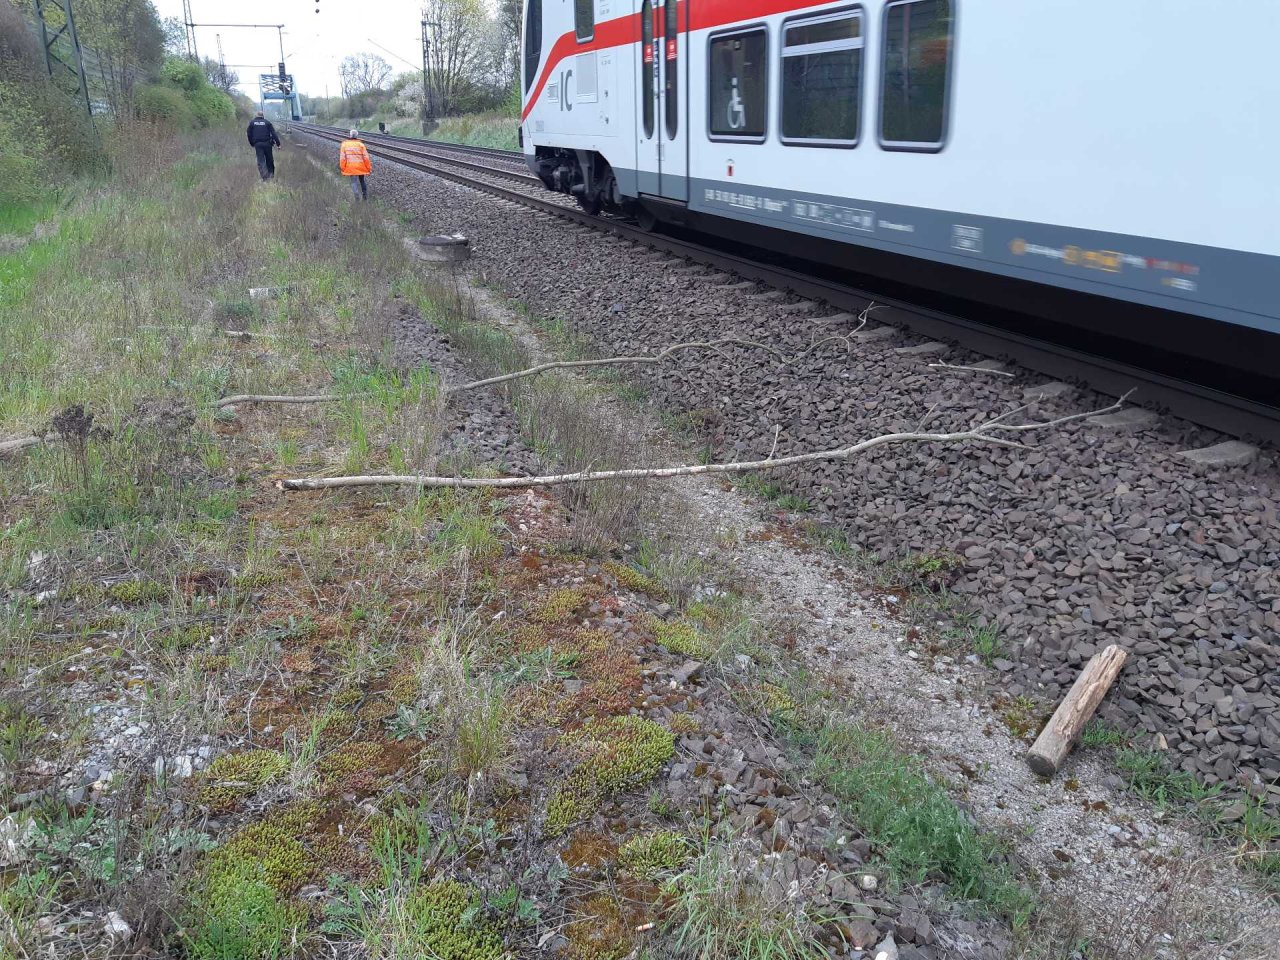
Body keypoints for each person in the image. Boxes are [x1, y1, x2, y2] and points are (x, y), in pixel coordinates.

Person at [246, 111, 281, 181]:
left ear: (256, 115)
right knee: (269, 159)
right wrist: (278, 144)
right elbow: (274, 133)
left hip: (258, 144)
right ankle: (271, 175)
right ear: (263, 116)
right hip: (268, 144)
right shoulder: (267, 122)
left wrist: (251, 143)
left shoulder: (252, 123)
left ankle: (265, 177)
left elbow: (249, 134)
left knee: (261, 160)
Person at [339, 129, 372, 201]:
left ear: (350, 135)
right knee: (362, 181)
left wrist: (343, 168)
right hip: (361, 167)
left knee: (354, 182)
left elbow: (342, 158)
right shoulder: (361, 145)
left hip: (351, 167)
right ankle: (365, 197)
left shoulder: (344, 145)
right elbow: (366, 158)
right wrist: (368, 168)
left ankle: (356, 196)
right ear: (357, 136)